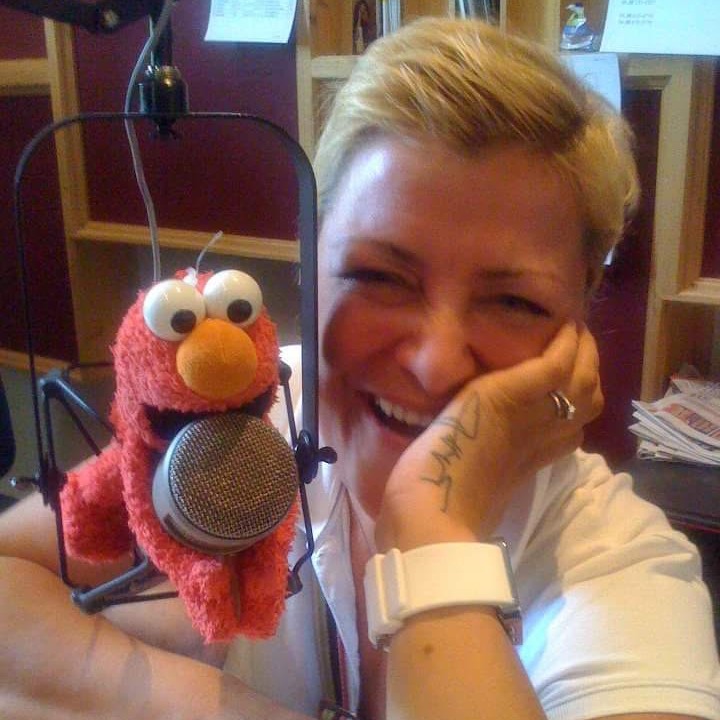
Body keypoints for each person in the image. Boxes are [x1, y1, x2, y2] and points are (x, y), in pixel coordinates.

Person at [0, 16, 718, 720]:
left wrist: (431, 527)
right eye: (380, 276)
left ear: (577, 324)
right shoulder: (240, 428)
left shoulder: (619, 564)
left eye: (513, 302)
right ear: (308, 261)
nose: (435, 364)